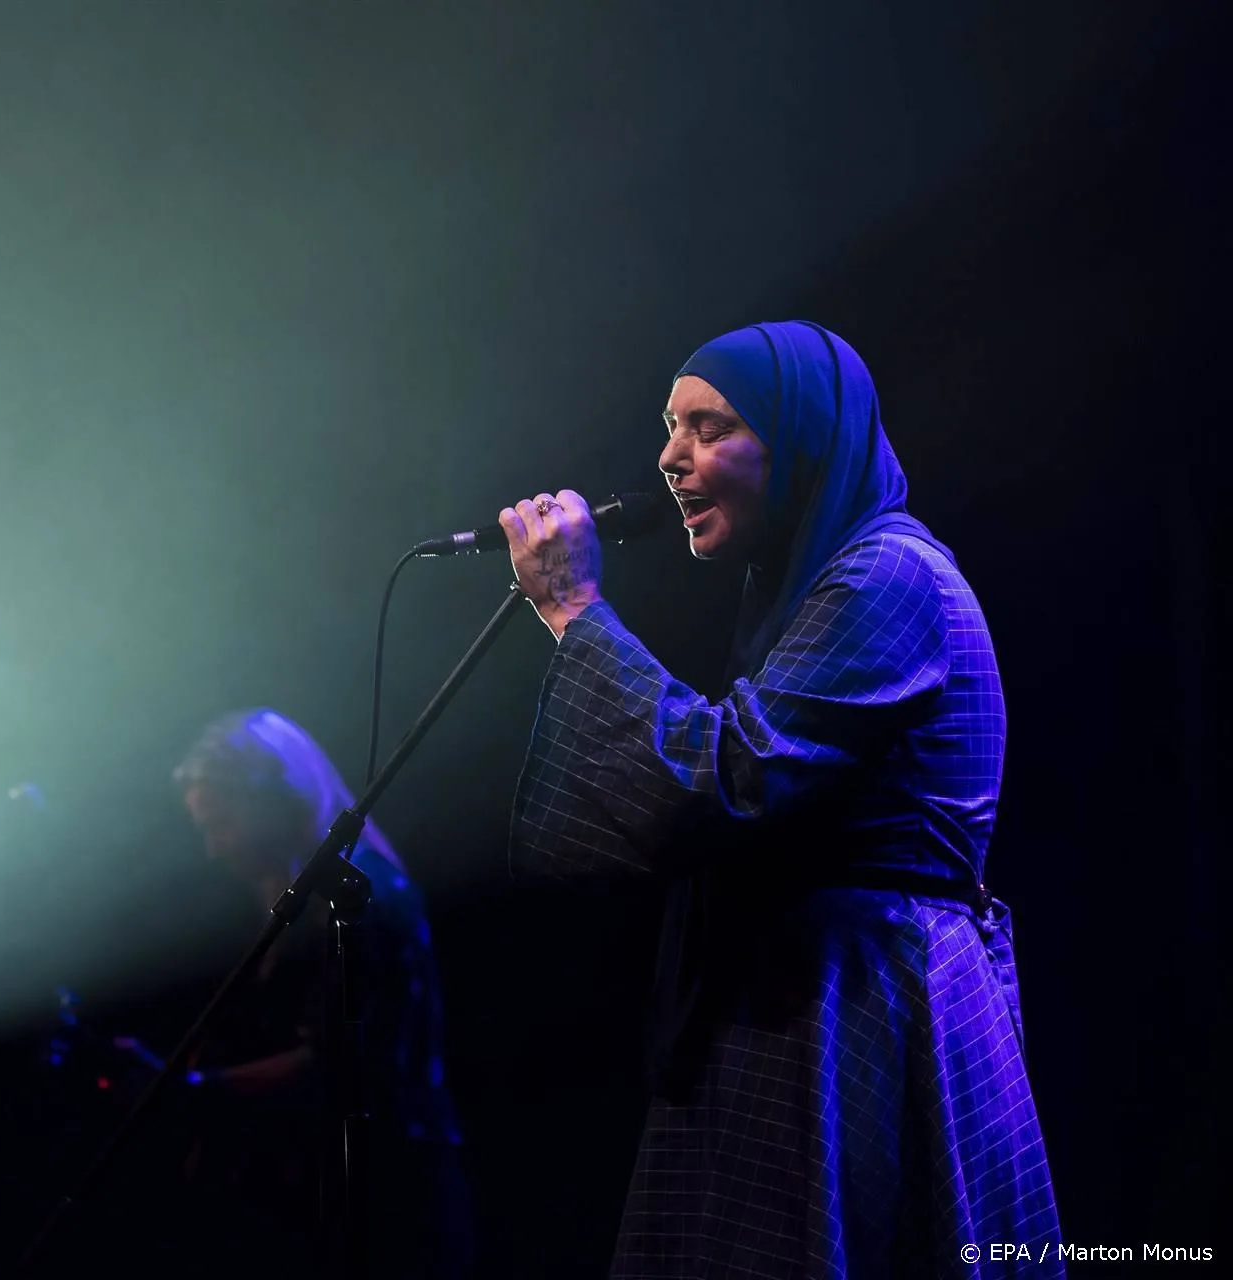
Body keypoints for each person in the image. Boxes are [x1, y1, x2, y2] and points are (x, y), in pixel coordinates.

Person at [497, 321, 1061, 1278]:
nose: (671, 457)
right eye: (670, 427)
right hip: (811, 1000)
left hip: (864, 1011)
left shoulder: (890, 576)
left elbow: (729, 775)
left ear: (802, 442)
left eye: (711, 428)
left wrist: (574, 610)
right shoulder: (812, 587)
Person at [154, 707, 476, 1278]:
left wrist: (198, 1091)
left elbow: (340, 1062)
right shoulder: (295, 907)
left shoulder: (364, 899)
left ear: (274, 799)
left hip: (390, 1207)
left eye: (221, 823)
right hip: (333, 1197)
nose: (213, 848)